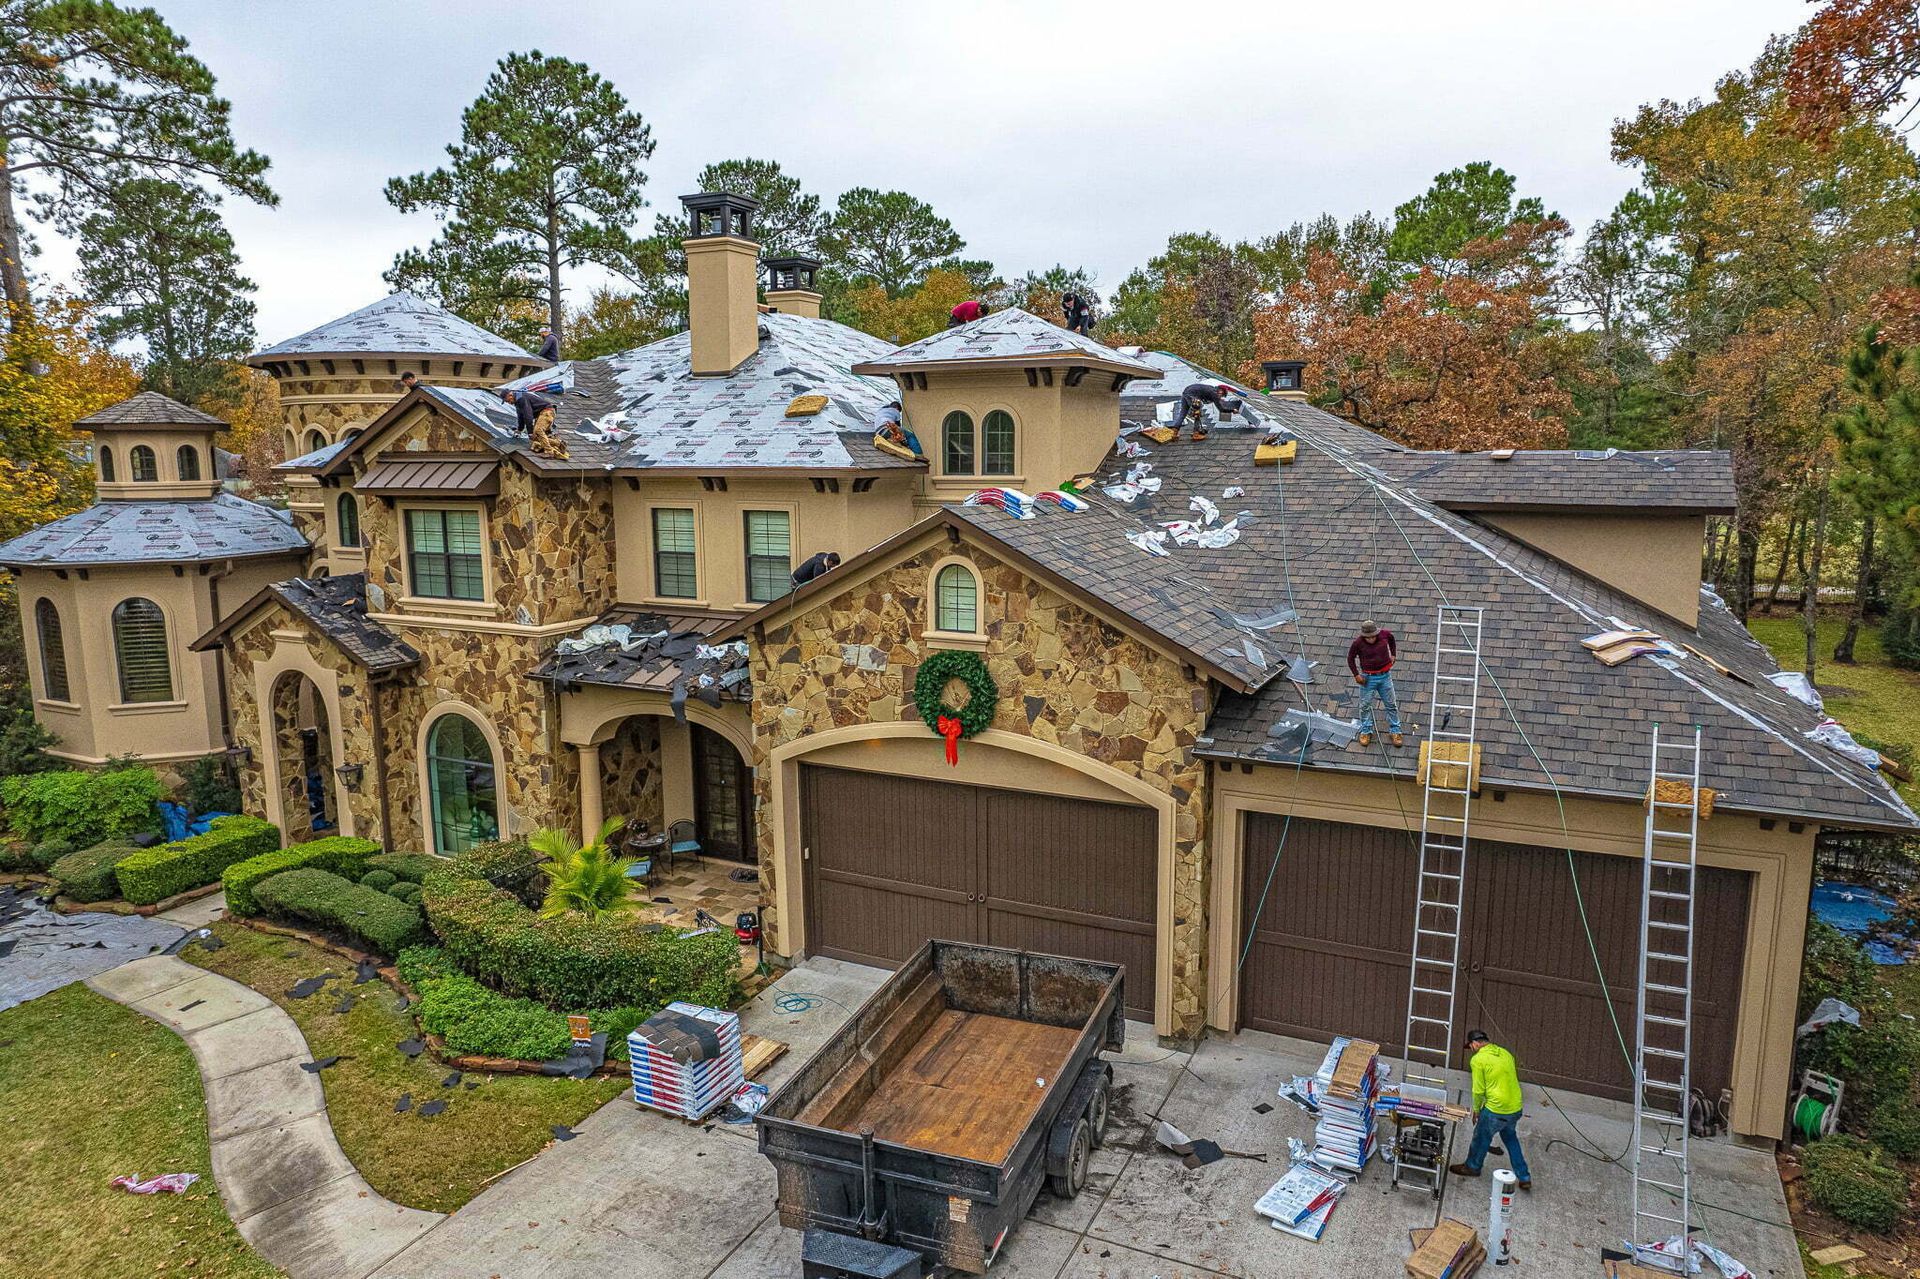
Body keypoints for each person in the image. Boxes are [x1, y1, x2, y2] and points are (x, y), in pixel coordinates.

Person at [1450, 1030, 1532, 1191]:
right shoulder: (1505, 1053)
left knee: (1481, 1137)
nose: (1472, 1050)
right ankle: (1524, 1176)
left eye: (1471, 1046)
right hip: (1515, 1107)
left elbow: (1478, 1090)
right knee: (1510, 1138)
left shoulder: (1478, 1060)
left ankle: (1472, 1166)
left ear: (1475, 1043)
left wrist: (1476, 1110)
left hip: (1496, 1109)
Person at [1347, 619, 1402, 747]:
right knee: (1365, 705)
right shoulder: (1358, 643)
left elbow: (1392, 639)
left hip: (1385, 676)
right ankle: (1366, 730)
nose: (1371, 639)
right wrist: (1356, 674)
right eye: (1368, 637)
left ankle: (1395, 730)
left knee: (1391, 704)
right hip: (1368, 678)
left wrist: (1393, 654)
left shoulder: (1384, 635)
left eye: (1373, 636)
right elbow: (1350, 658)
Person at [500, 386, 568, 459]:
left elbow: (528, 416)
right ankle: (559, 444)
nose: (508, 403)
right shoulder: (518, 403)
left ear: (510, 395)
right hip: (541, 415)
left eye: (507, 400)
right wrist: (519, 430)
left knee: (538, 430)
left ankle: (549, 452)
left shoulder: (522, 399)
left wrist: (530, 432)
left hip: (547, 411)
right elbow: (521, 417)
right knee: (535, 437)